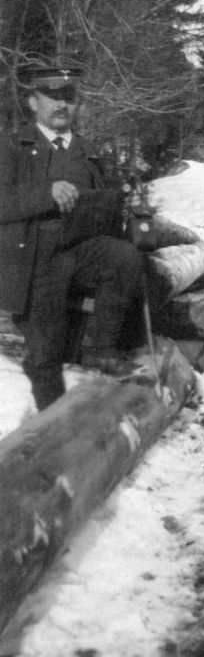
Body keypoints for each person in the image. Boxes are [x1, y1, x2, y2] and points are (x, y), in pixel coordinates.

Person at [0, 64, 144, 411]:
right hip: (32, 260)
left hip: (79, 252)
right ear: (33, 102)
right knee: (45, 352)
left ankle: (99, 349)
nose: (62, 105)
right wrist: (45, 193)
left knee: (124, 257)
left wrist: (129, 202)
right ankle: (52, 422)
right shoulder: (12, 147)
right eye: (53, 97)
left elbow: (104, 208)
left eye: (69, 98)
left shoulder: (88, 151)